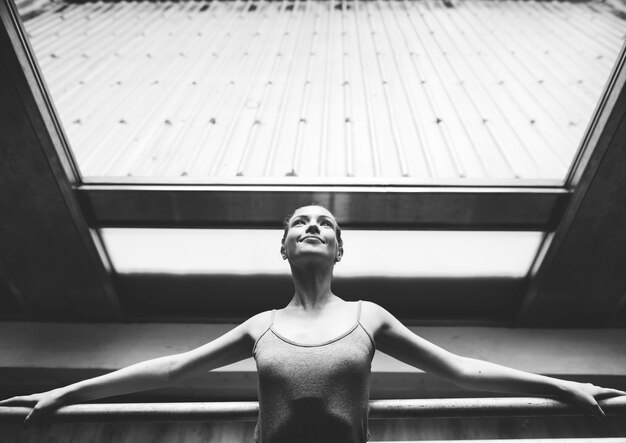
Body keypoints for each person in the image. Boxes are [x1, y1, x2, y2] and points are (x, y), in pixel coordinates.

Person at [1, 204, 625, 442]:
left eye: (326, 224)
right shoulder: (260, 326)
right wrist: (64, 392)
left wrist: (561, 387)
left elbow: (463, 369)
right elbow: (165, 368)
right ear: (283, 248)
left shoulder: (367, 317)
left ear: (339, 249)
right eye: (299, 223)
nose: (312, 229)